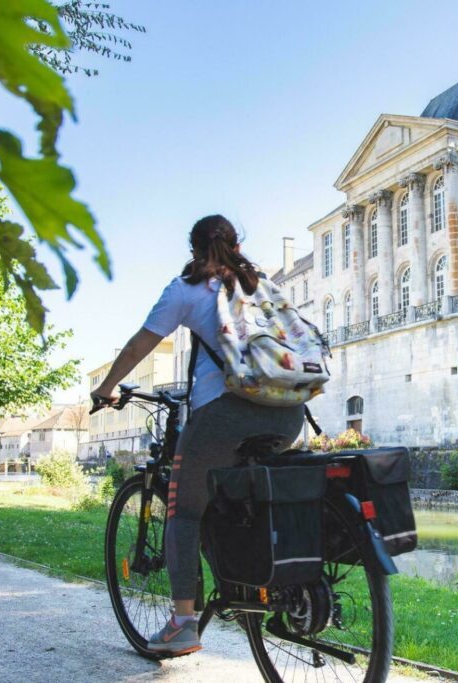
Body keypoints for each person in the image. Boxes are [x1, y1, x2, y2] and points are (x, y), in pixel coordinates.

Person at [90, 215, 304, 656]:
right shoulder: (261, 283)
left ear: (193, 249)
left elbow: (139, 344)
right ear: (236, 242)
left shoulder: (187, 289)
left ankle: (184, 624)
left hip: (226, 414)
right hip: (289, 413)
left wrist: (106, 387)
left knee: (184, 511)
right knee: (246, 499)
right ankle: (263, 582)